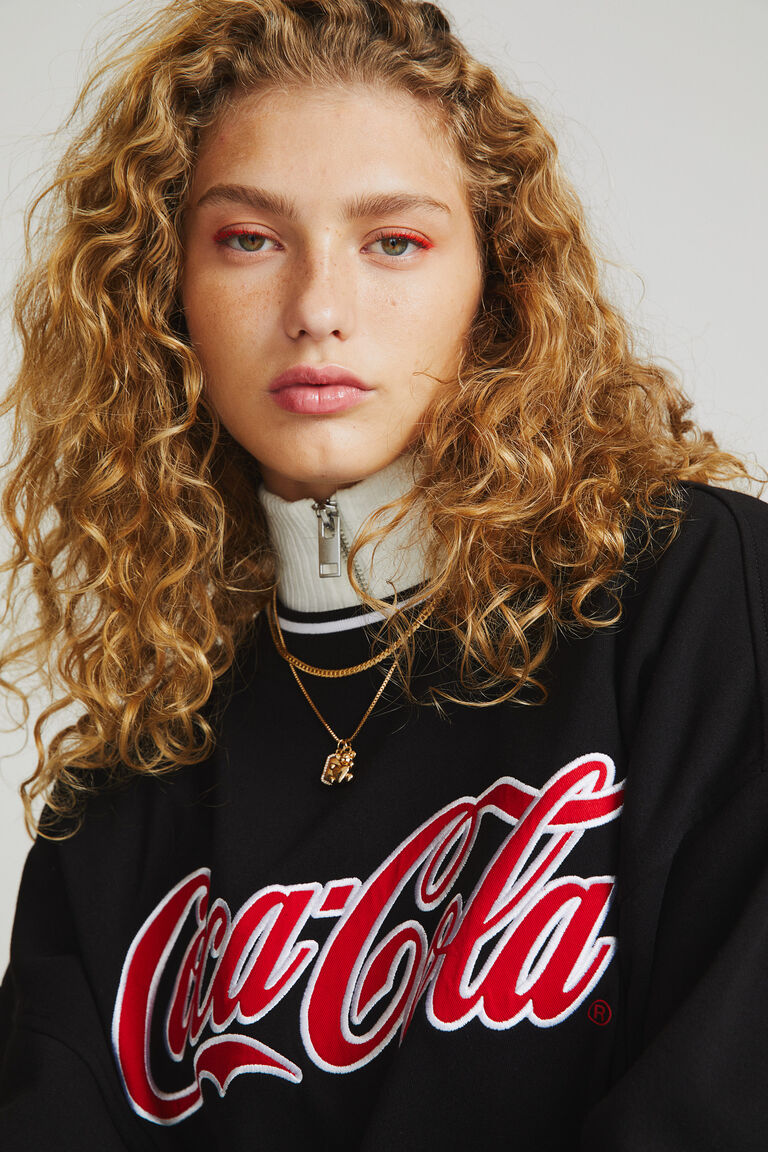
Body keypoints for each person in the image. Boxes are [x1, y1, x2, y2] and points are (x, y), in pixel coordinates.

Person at [0, 0, 766, 1147]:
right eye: (248, 239)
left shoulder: (698, 596)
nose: (318, 310)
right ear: (163, 291)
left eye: (393, 241)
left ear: (497, 282)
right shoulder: (124, 782)